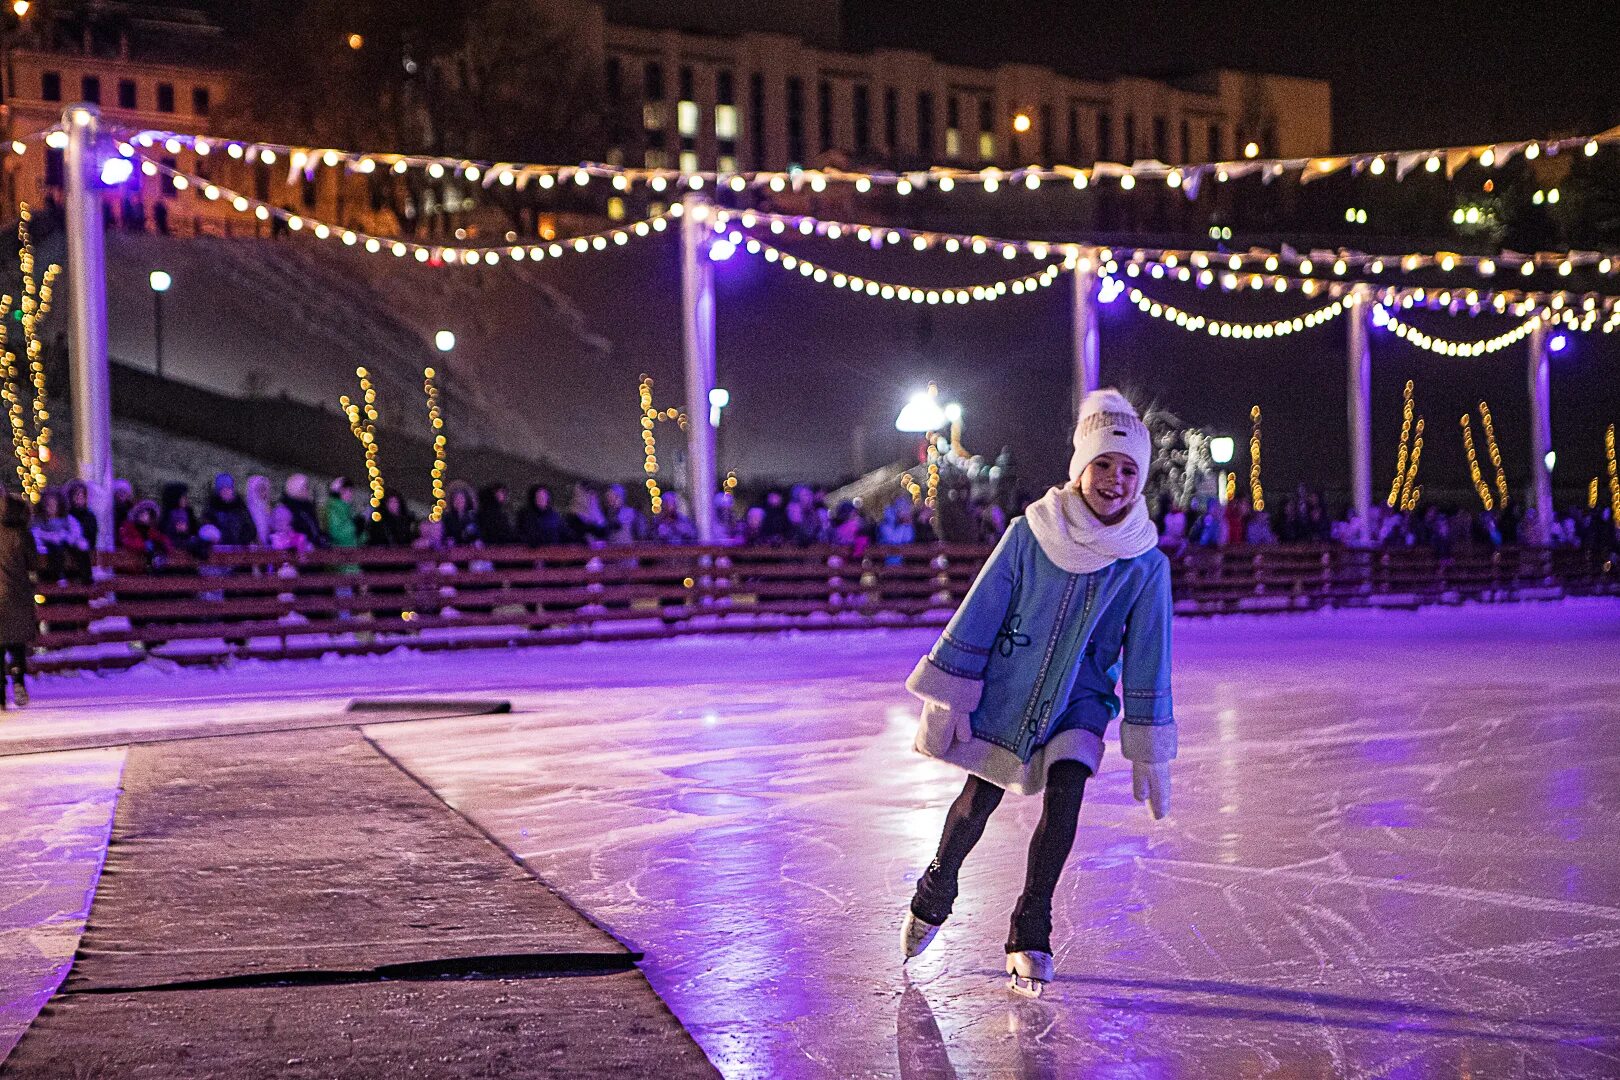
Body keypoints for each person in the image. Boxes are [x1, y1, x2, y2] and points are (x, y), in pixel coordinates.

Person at [900, 389, 1175, 999]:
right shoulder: (1033, 532)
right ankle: (934, 892)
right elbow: (981, 609)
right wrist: (951, 693)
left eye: (1129, 469)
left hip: (1081, 703)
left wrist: (1150, 744)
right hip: (1011, 693)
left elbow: (1151, 655)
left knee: (1065, 803)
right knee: (977, 802)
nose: (1115, 479)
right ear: (1080, 467)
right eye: (1104, 464)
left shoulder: (1144, 563)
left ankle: (1032, 926)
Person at [1, 493, 40, 708]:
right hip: (18, 595)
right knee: (16, 643)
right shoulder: (23, 534)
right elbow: (33, 562)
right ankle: (18, 681)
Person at [31, 489, 91, 584]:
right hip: (48, 563)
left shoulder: (68, 520)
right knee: (55, 549)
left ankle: (85, 577)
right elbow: (35, 536)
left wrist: (68, 538)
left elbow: (76, 536)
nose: (50, 507)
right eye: (47, 504)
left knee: (79, 550)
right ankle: (58, 576)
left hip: (70, 563)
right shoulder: (38, 522)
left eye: (53, 504)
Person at [204, 473, 258, 547]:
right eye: (222, 489)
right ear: (218, 492)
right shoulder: (212, 509)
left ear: (232, 489)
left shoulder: (241, 507)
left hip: (240, 550)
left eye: (228, 488)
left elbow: (251, 529)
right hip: (219, 550)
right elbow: (206, 529)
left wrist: (243, 540)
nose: (226, 492)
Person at [279, 474, 325, 548]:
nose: (307, 491)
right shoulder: (284, 510)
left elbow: (313, 528)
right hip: (298, 553)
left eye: (307, 487)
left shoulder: (307, 508)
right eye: (304, 488)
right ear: (295, 489)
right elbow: (284, 537)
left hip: (313, 550)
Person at [441, 482, 481, 546]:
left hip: (470, 549)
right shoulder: (447, 517)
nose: (459, 501)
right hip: (453, 549)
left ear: (466, 500)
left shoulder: (472, 516)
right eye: (456, 499)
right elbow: (443, 534)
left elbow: (477, 533)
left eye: (461, 498)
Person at [244, 475, 273, 546]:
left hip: (267, 547)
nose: (264, 493)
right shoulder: (246, 510)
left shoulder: (268, 508)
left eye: (266, 489)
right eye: (261, 489)